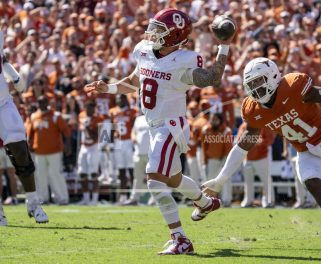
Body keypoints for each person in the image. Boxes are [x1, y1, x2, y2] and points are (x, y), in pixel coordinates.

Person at [85, 8, 234, 255]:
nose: (152, 32)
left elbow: (211, 78)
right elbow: (136, 81)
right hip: (154, 127)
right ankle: (206, 203)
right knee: (173, 179)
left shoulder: (184, 61)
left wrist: (224, 46)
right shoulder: (144, 51)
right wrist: (109, 89)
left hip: (171, 126)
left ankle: (180, 239)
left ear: (175, 36)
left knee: (154, 179)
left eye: (159, 30)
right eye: (153, 27)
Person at [202, 57, 321, 249]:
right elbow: (244, 144)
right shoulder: (253, 110)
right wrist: (220, 179)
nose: (255, 88)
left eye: (259, 81)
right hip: (306, 151)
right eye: (251, 84)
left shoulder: (293, 85)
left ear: (273, 76)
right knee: (313, 183)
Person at [0, 32, 48, 226]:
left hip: (3, 103)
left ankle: (33, 201)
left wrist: (14, 76)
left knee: (20, 150)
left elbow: (2, 59)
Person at [27, 96, 71, 205]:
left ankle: (62, 198)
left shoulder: (55, 116)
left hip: (54, 151)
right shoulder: (34, 116)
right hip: (39, 152)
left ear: (47, 102)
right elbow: (30, 133)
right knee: (41, 176)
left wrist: (68, 145)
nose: (42, 103)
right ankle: (43, 198)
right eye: (40, 101)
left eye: (44, 101)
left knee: (56, 174)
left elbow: (66, 132)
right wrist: (29, 144)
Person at [109, 94, 137, 204]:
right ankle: (123, 195)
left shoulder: (133, 111)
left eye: (120, 98)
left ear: (125, 99)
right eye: (117, 99)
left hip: (129, 141)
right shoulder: (112, 111)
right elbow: (111, 127)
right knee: (120, 170)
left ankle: (132, 195)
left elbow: (135, 127)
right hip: (117, 142)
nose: (118, 100)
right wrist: (109, 143)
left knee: (131, 169)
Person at [77, 101, 103, 205]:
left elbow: (96, 137)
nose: (90, 111)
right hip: (83, 146)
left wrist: (87, 127)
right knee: (82, 173)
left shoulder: (98, 119)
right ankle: (86, 199)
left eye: (92, 109)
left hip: (93, 147)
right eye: (88, 108)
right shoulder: (81, 116)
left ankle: (94, 199)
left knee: (93, 174)